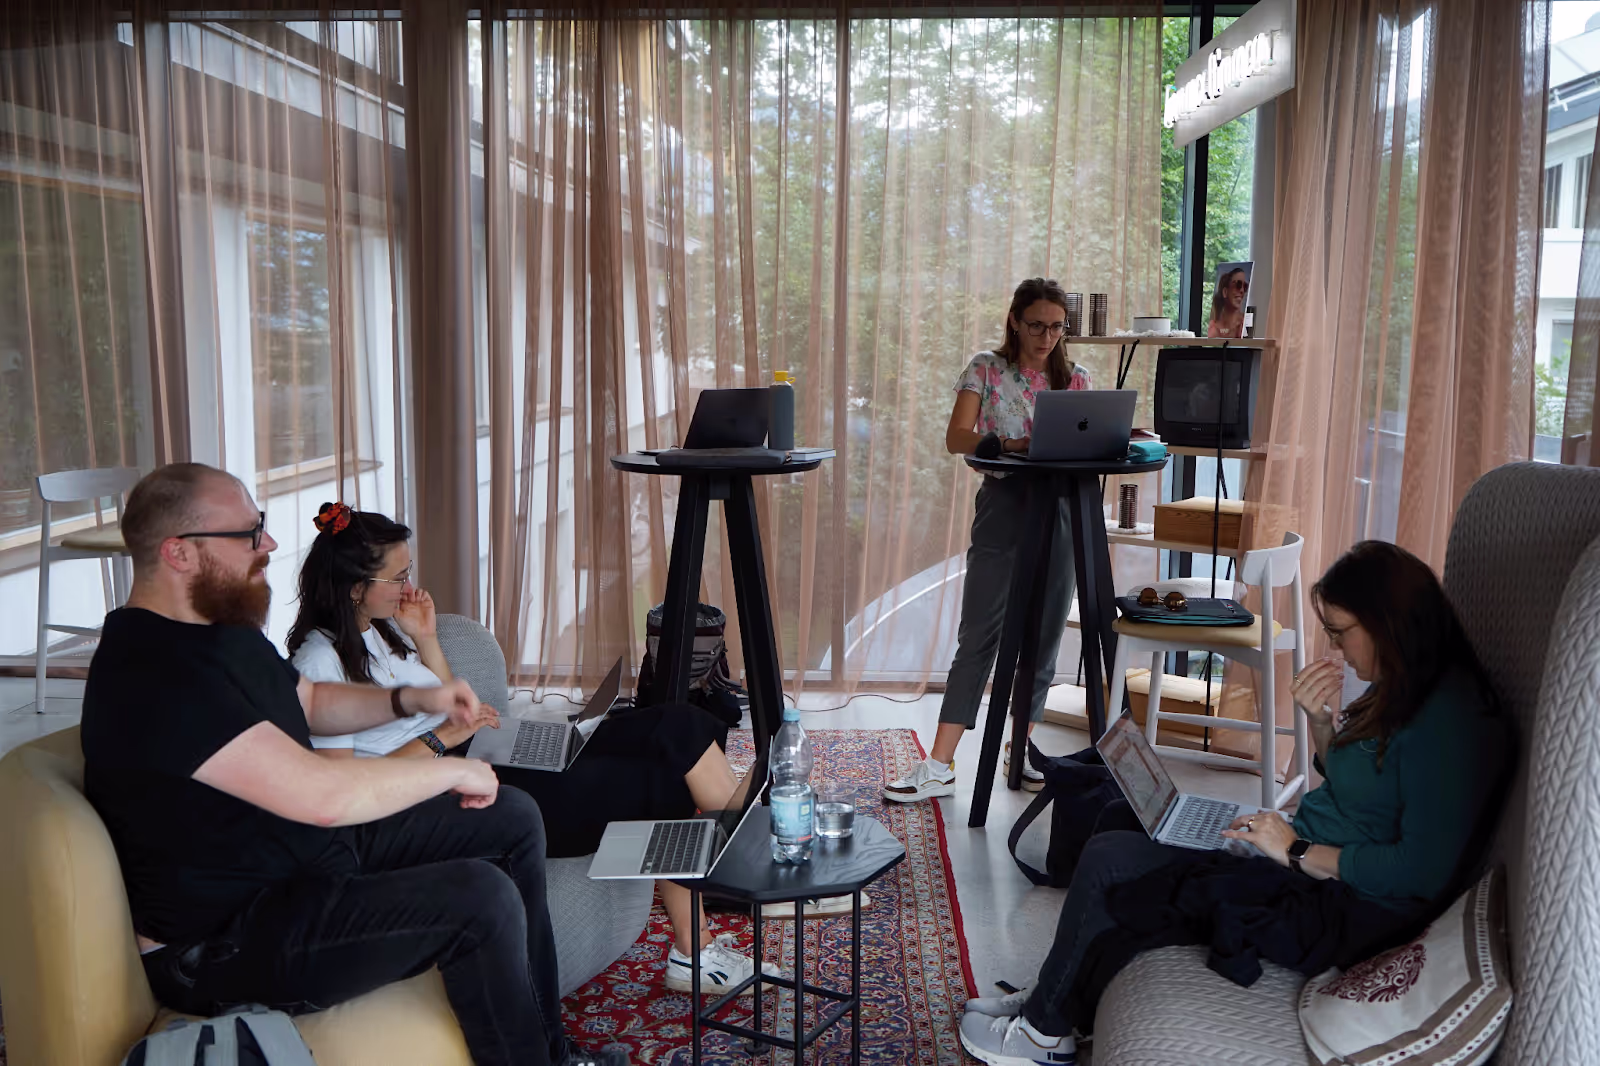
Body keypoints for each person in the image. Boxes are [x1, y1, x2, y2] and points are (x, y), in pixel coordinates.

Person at [79, 463, 627, 1066]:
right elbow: (321, 794)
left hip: (302, 861)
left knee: (514, 814)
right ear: (178, 554)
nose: (270, 544)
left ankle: (551, 1049)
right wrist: (448, 767)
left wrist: (414, 697)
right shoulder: (155, 676)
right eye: (248, 535)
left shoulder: (216, 629)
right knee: (479, 896)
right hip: (225, 939)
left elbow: (308, 701)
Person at [955, 541, 1509, 1066]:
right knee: (1122, 815)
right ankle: (1056, 991)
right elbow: (1360, 792)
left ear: (1389, 623)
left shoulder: (1452, 727)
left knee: (1109, 859)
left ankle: (1043, 1031)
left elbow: (1418, 873)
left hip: (1341, 906)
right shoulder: (1409, 685)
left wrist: (1293, 851)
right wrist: (1321, 728)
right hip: (1308, 854)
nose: (1335, 648)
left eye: (1340, 633)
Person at [285, 502, 791, 996]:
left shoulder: (376, 633)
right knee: (654, 779)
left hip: (483, 750)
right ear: (355, 587)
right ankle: (730, 906)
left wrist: (427, 640)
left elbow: (445, 704)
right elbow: (347, 788)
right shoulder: (318, 665)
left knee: (678, 724)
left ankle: (749, 869)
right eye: (397, 578)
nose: (409, 588)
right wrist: (440, 741)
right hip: (448, 788)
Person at [882, 277, 1091, 803]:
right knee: (979, 635)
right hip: (1004, 507)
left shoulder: (1078, 379)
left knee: (1043, 639)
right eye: (1037, 325)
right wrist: (1011, 443)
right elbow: (957, 436)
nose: (1047, 336)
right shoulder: (986, 368)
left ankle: (1019, 751)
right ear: (1016, 322)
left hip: (1062, 511)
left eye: (1057, 326)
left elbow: (1089, 444)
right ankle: (939, 764)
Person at [1206, 266, 1249, 338]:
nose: (1242, 291)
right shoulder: (1214, 327)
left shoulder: (1245, 324)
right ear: (1225, 292)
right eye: (1238, 284)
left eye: (1245, 286)